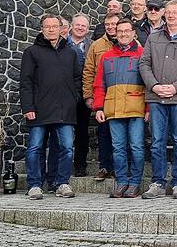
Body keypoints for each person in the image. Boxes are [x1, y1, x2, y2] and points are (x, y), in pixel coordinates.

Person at [139, 0, 177, 199]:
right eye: (170, 12)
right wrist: (155, 86)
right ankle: (157, 182)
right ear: (164, 15)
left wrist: (175, 87)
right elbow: (144, 64)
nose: (172, 16)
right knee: (157, 142)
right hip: (156, 97)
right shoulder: (153, 37)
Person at [20, 14, 80, 200]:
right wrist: (28, 106)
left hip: (65, 109)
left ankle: (61, 183)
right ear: (42, 29)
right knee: (35, 147)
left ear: (62, 28)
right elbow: (26, 82)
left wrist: (73, 98)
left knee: (66, 147)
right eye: (48, 26)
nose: (52, 29)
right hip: (38, 109)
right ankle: (35, 185)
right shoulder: (32, 52)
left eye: (55, 26)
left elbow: (77, 78)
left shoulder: (71, 53)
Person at [92, 18, 147, 199]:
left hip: (136, 108)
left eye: (126, 31)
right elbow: (99, 84)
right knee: (118, 148)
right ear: (116, 33)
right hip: (113, 109)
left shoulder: (142, 54)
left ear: (133, 33)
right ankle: (122, 181)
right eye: (120, 31)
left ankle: (135, 182)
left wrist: (148, 108)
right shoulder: (106, 57)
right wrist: (99, 107)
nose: (123, 34)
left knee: (137, 147)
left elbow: (148, 83)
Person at [83, 12, 121, 182]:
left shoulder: (131, 44)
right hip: (103, 97)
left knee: (121, 136)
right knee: (104, 134)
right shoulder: (96, 46)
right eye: (108, 25)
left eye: (114, 24)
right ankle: (104, 166)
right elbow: (88, 71)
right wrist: (88, 96)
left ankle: (118, 168)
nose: (111, 27)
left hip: (123, 97)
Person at [66, 13, 92, 177]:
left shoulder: (92, 45)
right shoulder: (62, 44)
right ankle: (62, 166)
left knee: (82, 131)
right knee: (63, 131)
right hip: (64, 94)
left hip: (84, 94)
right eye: (78, 24)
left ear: (87, 29)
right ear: (71, 26)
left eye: (84, 26)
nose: (80, 27)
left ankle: (80, 165)